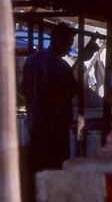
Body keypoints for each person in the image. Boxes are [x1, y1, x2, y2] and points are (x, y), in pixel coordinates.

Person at [22, 24, 78, 179]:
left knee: (36, 170)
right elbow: (69, 91)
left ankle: (33, 200)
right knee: (54, 171)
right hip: (54, 129)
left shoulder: (31, 61)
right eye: (68, 44)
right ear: (58, 40)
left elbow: (23, 89)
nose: (69, 49)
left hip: (35, 125)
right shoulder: (59, 65)